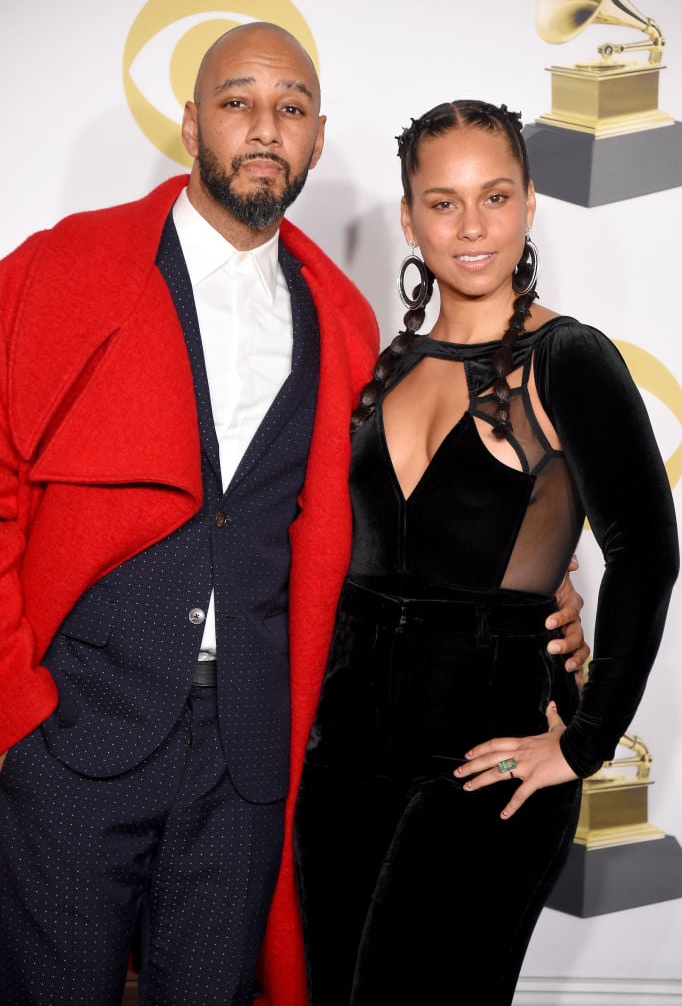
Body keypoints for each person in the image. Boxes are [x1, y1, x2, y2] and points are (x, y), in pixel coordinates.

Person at [0, 25, 588, 1006]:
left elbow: (392, 525)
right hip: (74, 740)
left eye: (291, 107)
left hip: (247, 761)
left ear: (317, 138)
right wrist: (18, 717)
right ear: (191, 123)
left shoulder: (343, 319)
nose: (264, 126)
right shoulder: (64, 268)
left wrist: (538, 592)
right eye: (237, 101)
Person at [294, 99, 679, 1006]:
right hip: (346, 753)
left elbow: (647, 552)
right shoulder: (382, 362)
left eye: (495, 196)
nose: (472, 228)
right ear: (409, 217)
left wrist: (583, 745)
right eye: (444, 202)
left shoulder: (569, 358)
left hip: (489, 753)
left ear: (532, 202)